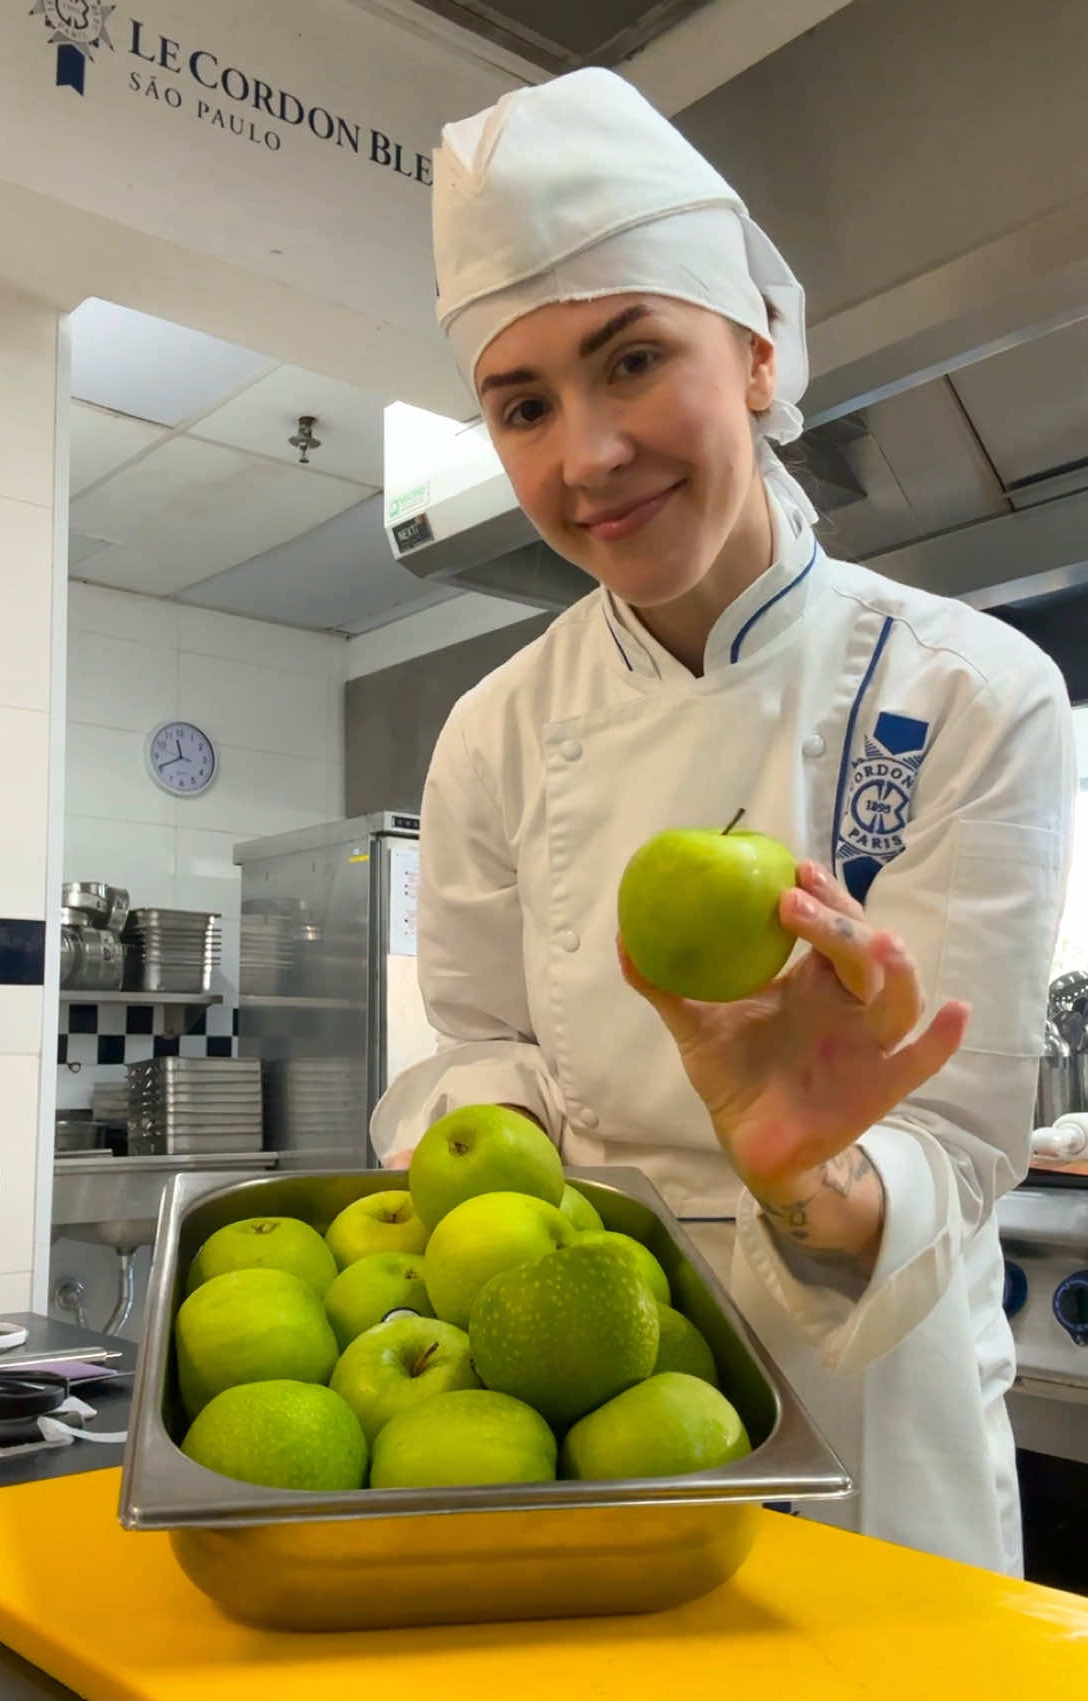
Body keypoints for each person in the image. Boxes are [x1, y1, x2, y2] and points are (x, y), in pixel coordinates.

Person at [369, 68, 1075, 1573]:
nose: (586, 456)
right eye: (523, 404)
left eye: (633, 360)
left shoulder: (969, 690)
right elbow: (480, 1041)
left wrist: (803, 1168)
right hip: (571, 1374)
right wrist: (485, 1145)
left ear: (756, 355)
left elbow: (954, 1136)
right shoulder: (494, 728)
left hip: (870, 1409)